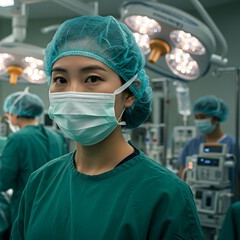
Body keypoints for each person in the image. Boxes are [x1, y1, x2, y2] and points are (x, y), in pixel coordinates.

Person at [11, 15, 204, 239]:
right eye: (61, 80)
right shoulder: (41, 183)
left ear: (130, 93)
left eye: (92, 79)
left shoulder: (165, 195)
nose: (74, 93)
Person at [0, 89, 67, 224]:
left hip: (28, 209)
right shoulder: (57, 137)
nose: (8, 118)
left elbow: (2, 183)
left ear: (15, 114)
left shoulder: (17, 138)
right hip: (55, 207)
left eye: (8, 115)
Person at [178, 95, 235, 180]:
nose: (199, 121)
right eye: (196, 117)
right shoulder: (192, 144)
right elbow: (182, 176)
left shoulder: (233, 145)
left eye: (202, 117)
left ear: (216, 118)